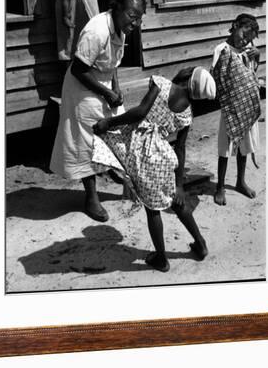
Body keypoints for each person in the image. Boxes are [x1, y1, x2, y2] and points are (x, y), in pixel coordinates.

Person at [92, 66, 216, 272]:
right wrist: (179, 185)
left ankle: (161, 258)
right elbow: (181, 148)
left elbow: (140, 112)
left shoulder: (162, 84)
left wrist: (109, 122)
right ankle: (200, 244)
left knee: (152, 209)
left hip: (143, 153)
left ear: (187, 77)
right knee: (177, 202)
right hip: (164, 158)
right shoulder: (187, 114)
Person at [50, 0, 147, 223]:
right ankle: (91, 198)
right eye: (132, 16)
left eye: (139, 18)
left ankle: (126, 181)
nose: (136, 22)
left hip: (103, 84)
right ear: (117, 10)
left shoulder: (121, 28)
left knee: (119, 132)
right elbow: (78, 69)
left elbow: (112, 63)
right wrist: (106, 92)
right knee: (87, 143)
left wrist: (116, 88)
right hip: (82, 89)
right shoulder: (97, 31)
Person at [211, 13, 261, 206]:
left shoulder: (248, 49)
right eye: (244, 35)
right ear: (234, 26)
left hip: (247, 107)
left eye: (249, 39)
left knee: (244, 147)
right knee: (225, 147)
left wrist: (257, 55)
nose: (245, 41)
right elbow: (216, 76)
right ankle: (220, 187)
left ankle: (240, 181)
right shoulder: (221, 49)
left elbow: (252, 72)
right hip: (231, 109)